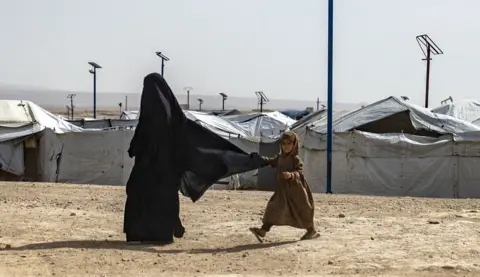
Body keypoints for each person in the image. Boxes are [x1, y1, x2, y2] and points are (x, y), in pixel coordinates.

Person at [123, 73, 188, 244]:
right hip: (165, 168)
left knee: (140, 193)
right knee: (164, 196)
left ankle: (140, 232)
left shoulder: (151, 113)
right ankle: (166, 229)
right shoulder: (172, 114)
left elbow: (141, 140)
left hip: (148, 166)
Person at [249, 131, 319, 242]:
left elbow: (300, 173)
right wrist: (260, 159)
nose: (286, 146)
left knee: (302, 209)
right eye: (283, 144)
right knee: (273, 208)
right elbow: (271, 161)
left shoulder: (296, 159)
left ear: (294, 144)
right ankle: (263, 230)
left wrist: (290, 175)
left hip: (296, 191)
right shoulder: (280, 158)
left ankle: (311, 231)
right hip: (282, 191)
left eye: (289, 143)